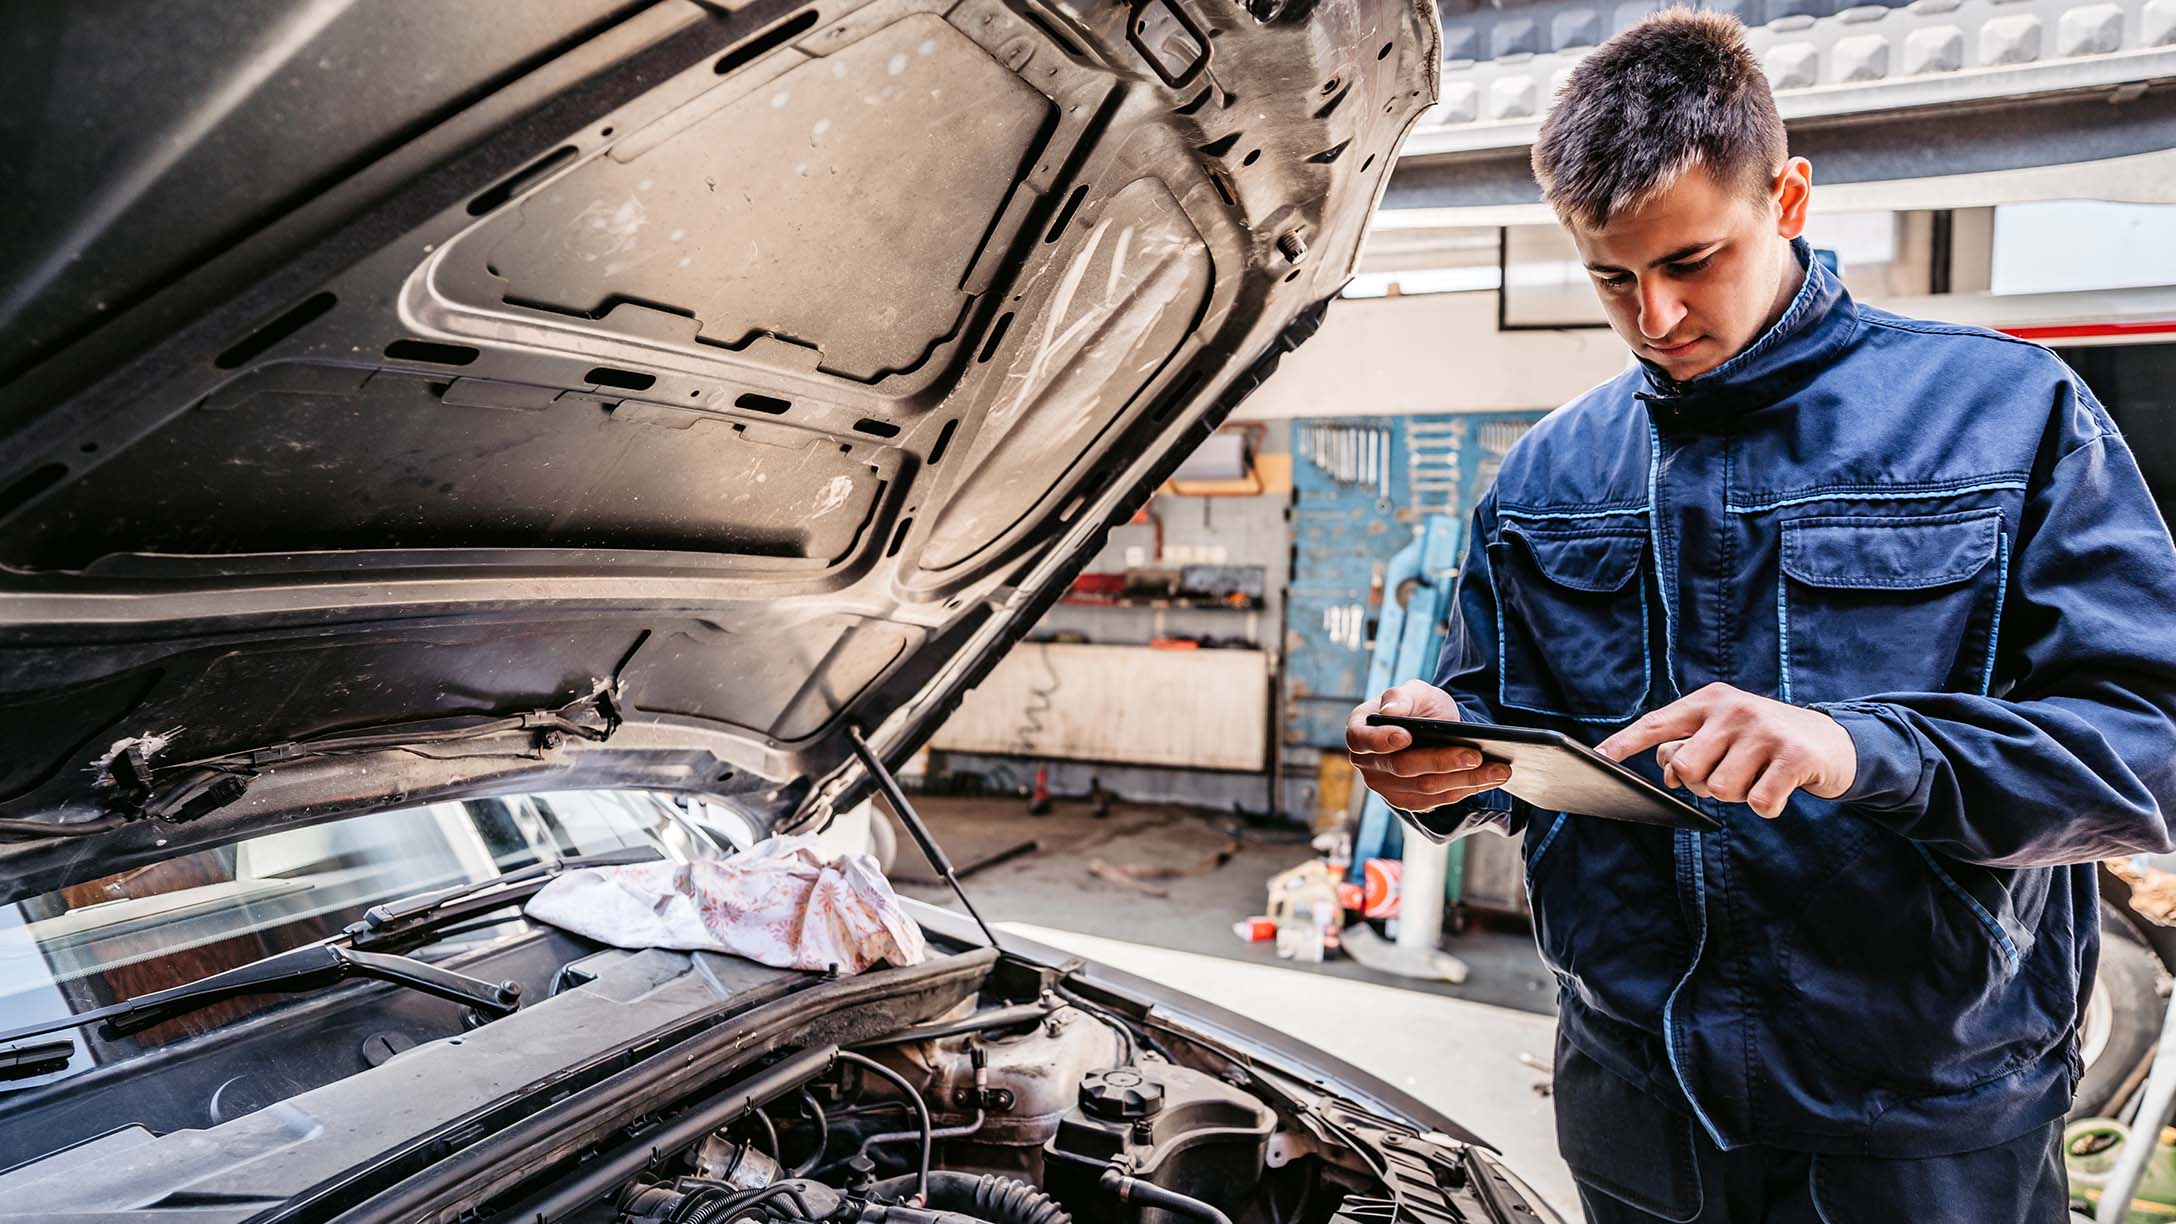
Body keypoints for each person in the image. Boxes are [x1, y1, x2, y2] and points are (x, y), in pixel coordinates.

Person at [1345, 9, 2176, 1221]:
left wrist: (1862, 747)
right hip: (1637, 1105)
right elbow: (1505, 725)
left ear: (1787, 196)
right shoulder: (1546, 474)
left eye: (1691, 262)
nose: (1655, 318)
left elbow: (2146, 749)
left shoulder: (2007, 417)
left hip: (1921, 1125)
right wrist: (1446, 755)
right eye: (1611, 277)